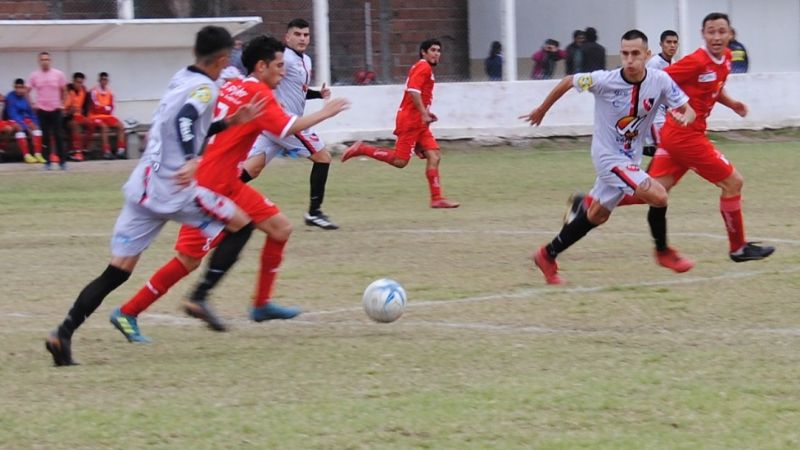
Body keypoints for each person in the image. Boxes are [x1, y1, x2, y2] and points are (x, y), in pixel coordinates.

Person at [44, 25, 261, 366]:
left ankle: (63, 333)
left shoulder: (181, 78)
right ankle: (200, 296)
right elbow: (187, 121)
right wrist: (191, 158)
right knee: (243, 225)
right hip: (175, 189)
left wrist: (229, 122)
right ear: (222, 60)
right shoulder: (206, 88)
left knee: (117, 271)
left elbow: (185, 123)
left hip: (143, 186)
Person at [108, 35, 349, 337]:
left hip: (228, 182)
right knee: (189, 260)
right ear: (261, 66)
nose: (283, 70)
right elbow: (287, 128)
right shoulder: (258, 94)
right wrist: (327, 111)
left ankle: (261, 305)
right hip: (209, 185)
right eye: (278, 65)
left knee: (280, 229)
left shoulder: (232, 85)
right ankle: (128, 312)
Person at [520, 29, 696, 285]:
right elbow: (569, 80)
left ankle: (547, 254)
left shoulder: (660, 80)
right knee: (659, 196)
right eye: (625, 53)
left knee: (597, 215)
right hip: (608, 158)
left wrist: (684, 117)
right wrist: (542, 110)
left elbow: (688, 110)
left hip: (630, 159)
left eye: (635, 54)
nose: (630, 59)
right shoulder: (604, 80)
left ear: (647, 54)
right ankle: (663, 252)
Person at [647, 13, 772, 262]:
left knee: (653, 190)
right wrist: (677, 108)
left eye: (721, 31)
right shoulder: (696, 61)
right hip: (685, 136)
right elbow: (660, 80)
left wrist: (733, 104)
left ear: (730, 34)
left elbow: (715, 86)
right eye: (711, 32)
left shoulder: (726, 59)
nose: (716, 37)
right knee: (733, 182)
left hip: (678, 135)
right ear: (703, 34)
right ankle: (738, 248)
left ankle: (588, 204)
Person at [239, 18, 342, 230]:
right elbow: (259, 76)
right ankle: (314, 213)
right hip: (286, 123)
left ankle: (219, 193)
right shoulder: (283, 57)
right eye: (297, 34)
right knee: (323, 157)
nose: (302, 38)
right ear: (287, 37)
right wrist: (269, 97)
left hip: (277, 124)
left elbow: (298, 90)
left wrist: (318, 94)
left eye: (306, 35)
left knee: (253, 167)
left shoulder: (306, 60)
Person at [341, 39, 459, 209]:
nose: (436, 53)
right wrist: (423, 112)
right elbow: (413, 91)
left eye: (438, 50)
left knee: (434, 155)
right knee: (400, 161)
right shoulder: (423, 66)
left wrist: (426, 112)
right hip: (411, 121)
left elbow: (418, 93)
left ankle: (437, 198)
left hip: (419, 122)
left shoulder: (424, 68)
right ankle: (362, 149)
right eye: (433, 50)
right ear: (423, 52)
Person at [27, 51, 68, 169]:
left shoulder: (58, 74)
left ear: (50, 61)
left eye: (47, 59)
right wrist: (32, 104)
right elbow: (27, 91)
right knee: (45, 136)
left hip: (56, 109)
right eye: (42, 60)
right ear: (39, 61)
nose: (45, 62)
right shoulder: (34, 75)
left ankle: (62, 162)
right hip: (42, 109)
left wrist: (63, 104)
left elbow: (64, 90)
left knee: (58, 135)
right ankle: (47, 162)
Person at [643, 30, 679, 156]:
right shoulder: (655, 63)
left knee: (664, 149)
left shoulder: (674, 62)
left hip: (666, 113)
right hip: (655, 114)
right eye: (668, 42)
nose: (672, 45)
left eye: (675, 42)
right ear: (661, 44)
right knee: (664, 149)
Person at [4, 78, 45, 164]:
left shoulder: (26, 97)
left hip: (24, 118)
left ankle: (38, 154)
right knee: (19, 128)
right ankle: (26, 155)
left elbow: (31, 113)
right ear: (14, 87)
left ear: (24, 87)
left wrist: (35, 123)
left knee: (36, 128)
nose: (19, 89)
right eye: (17, 87)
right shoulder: (10, 97)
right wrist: (26, 127)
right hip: (12, 119)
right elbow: (13, 115)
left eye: (21, 87)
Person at [88, 72, 127, 159]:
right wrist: (105, 108)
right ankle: (106, 151)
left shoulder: (110, 92)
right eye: (102, 79)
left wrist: (105, 108)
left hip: (107, 116)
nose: (104, 81)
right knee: (104, 127)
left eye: (105, 79)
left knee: (121, 126)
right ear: (99, 80)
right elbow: (95, 107)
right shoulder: (93, 91)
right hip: (95, 116)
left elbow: (112, 107)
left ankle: (121, 150)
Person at [64, 72, 91, 161]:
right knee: (75, 126)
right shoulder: (67, 90)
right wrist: (69, 111)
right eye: (77, 82)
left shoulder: (84, 92)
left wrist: (84, 114)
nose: (79, 84)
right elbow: (63, 110)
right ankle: (77, 152)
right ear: (73, 81)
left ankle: (84, 149)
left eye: (81, 82)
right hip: (68, 118)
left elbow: (86, 108)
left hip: (79, 116)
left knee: (90, 124)